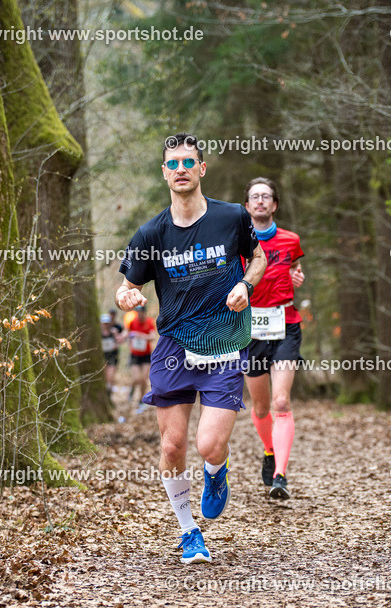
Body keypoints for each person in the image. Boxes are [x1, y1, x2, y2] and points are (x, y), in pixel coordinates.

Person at [116, 133, 267, 563]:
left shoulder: (232, 217)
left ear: (201, 169)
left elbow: (258, 257)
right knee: (171, 446)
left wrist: (245, 283)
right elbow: (126, 288)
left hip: (222, 345)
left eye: (189, 161)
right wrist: (126, 296)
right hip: (174, 347)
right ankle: (189, 532)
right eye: (173, 163)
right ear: (165, 173)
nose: (180, 168)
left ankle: (217, 473)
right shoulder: (150, 233)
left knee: (209, 446)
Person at [242, 177, 305, 500]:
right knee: (262, 405)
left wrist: (297, 276)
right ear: (248, 206)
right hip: (250, 329)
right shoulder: (237, 242)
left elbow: (293, 268)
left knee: (281, 401)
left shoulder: (290, 240)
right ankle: (269, 450)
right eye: (255, 197)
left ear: (275, 204)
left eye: (266, 196)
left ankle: (280, 474)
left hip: (285, 324)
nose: (261, 201)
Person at [126, 305, 157, 413]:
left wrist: (141, 335)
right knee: (136, 378)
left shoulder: (149, 322)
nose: (138, 314)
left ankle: (141, 399)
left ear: (144, 312)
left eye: (140, 312)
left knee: (144, 379)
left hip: (146, 354)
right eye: (137, 312)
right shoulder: (133, 322)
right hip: (135, 354)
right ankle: (132, 389)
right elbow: (127, 333)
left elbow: (153, 337)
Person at [100, 313, 125, 397]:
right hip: (102, 357)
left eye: (107, 323)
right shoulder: (98, 334)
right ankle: (105, 393)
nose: (105, 325)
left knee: (110, 377)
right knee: (103, 376)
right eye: (104, 323)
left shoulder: (113, 332)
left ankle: (109, 393)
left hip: (112, 357)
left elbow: (120, 341)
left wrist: (116, 341)